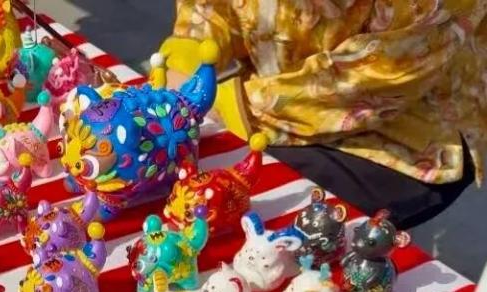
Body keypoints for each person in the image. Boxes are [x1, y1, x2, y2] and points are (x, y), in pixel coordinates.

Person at [162, 0, 486, 228]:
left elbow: (383, 74)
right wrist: (187, 57)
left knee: (245, 210)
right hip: (273, 92)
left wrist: (227, 106)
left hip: (402, 138)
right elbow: (216, 8)